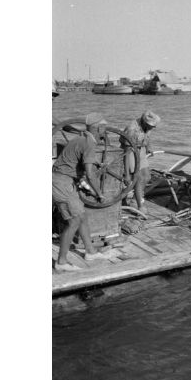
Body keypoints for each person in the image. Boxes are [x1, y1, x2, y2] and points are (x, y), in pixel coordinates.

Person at [52, 113, 112, 271]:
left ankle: (90, 252)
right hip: (61, 183)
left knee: (82, 216)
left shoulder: (82, 139)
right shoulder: (89, 143)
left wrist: (96, 163)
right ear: (98, 128)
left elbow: (84, 166)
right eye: (104, 128)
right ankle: (61, 263)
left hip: (64, 181)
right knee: (74, 221)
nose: (105, 131)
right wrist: (99, 194)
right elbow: (90, 175)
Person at [121, 110, 161, 210]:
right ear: (145, 123)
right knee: (138, 178)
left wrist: (148, 147)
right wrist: (126, 174)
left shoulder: (147, 126)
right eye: (152, 126)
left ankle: (134, 199)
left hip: (140, 149)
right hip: (129, 152)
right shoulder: (132, 130)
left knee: (147, 176)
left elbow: (147, 136)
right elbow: (126, 153)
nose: (154, 127)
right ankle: (140, 205)